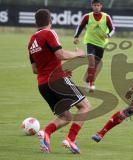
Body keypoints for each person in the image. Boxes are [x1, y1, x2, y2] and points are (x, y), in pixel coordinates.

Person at [27, 9, 91, 154]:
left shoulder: (31, 41)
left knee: (66, 116)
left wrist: (61, 71)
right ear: (50, 21)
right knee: (85, 106)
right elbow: (60, 54)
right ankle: (71, 139)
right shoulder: (50, 33)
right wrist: (78, 54)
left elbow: (35, 69)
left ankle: (46, 133)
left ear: (36, 23)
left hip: (42, 85)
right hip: (56, 80)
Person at [73, 0, 115, 92]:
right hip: (90, 42)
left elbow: (112, 29)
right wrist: (76, 36)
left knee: (95, 65)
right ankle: (91, 84)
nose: (96, 7)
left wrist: (108, 35)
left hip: (101, 43)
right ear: (92, 6)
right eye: (95, 5)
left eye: (98, 5)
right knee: (91, 62)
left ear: (101, 6)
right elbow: (80, 26)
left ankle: (88, 80)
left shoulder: (106, 17)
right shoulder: (87, 17)